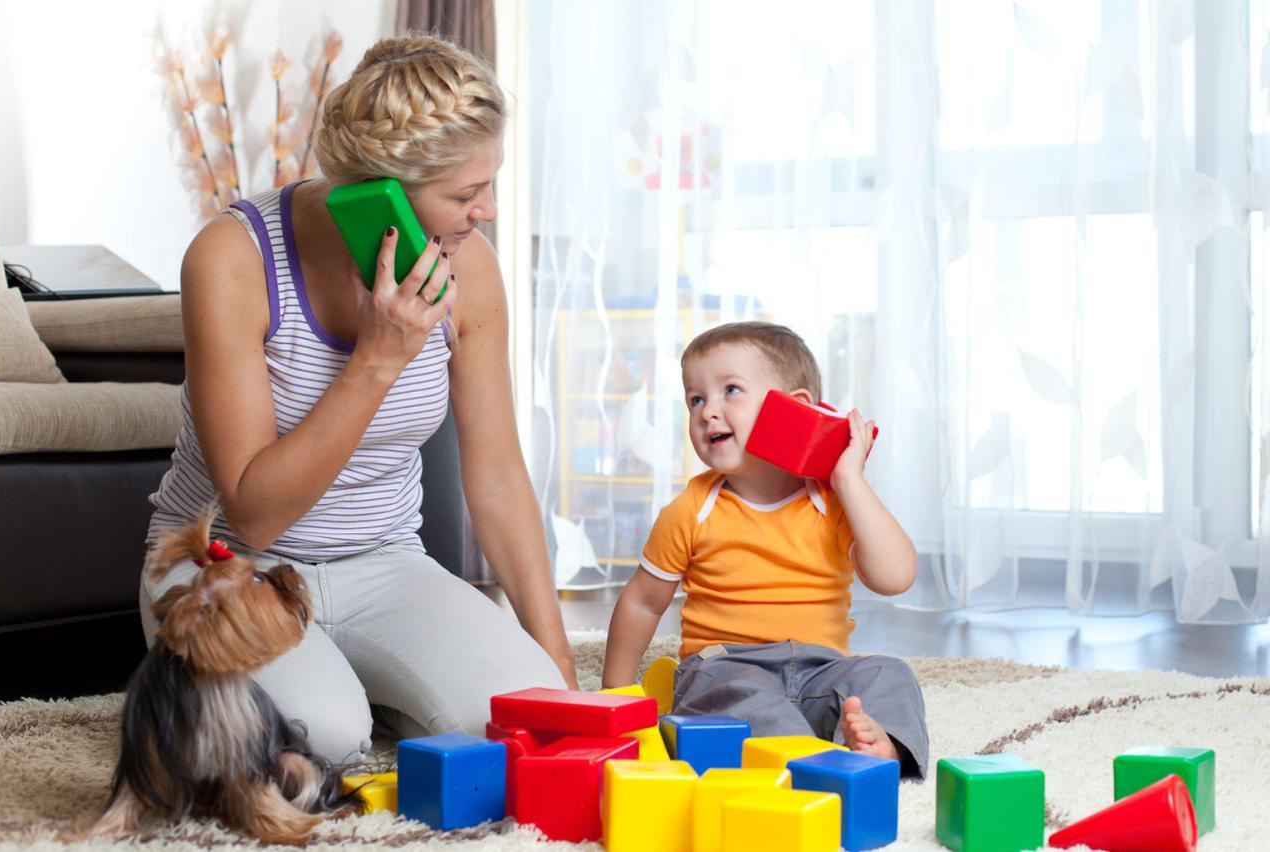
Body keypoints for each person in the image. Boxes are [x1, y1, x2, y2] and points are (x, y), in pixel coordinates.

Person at [141, 34, 576, 766]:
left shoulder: (470, 268)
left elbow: (497, 475)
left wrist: (556, 659)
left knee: (515, 720)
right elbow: (253, 507)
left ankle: (348, 673)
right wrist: (377, 358)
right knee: (325, 736)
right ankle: (212, 683)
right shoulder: (231, 258)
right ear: (380, 191)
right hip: (226, 561)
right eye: (467, 194)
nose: (490, 211)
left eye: (491, 184)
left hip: (386, 563)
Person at [602, 321, 928, 778]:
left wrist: (849, 478)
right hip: (728, 667)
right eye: (695, 398)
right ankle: (803, 765)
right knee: (735, 693)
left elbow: (895, 576)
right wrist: (616, 694)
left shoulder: (831, 501)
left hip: (821, 673)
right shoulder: (692, 509)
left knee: (888, 674)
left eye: (729, 390)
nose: (706, 412)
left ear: (793, 410)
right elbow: (641, 601)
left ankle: (879, 748)